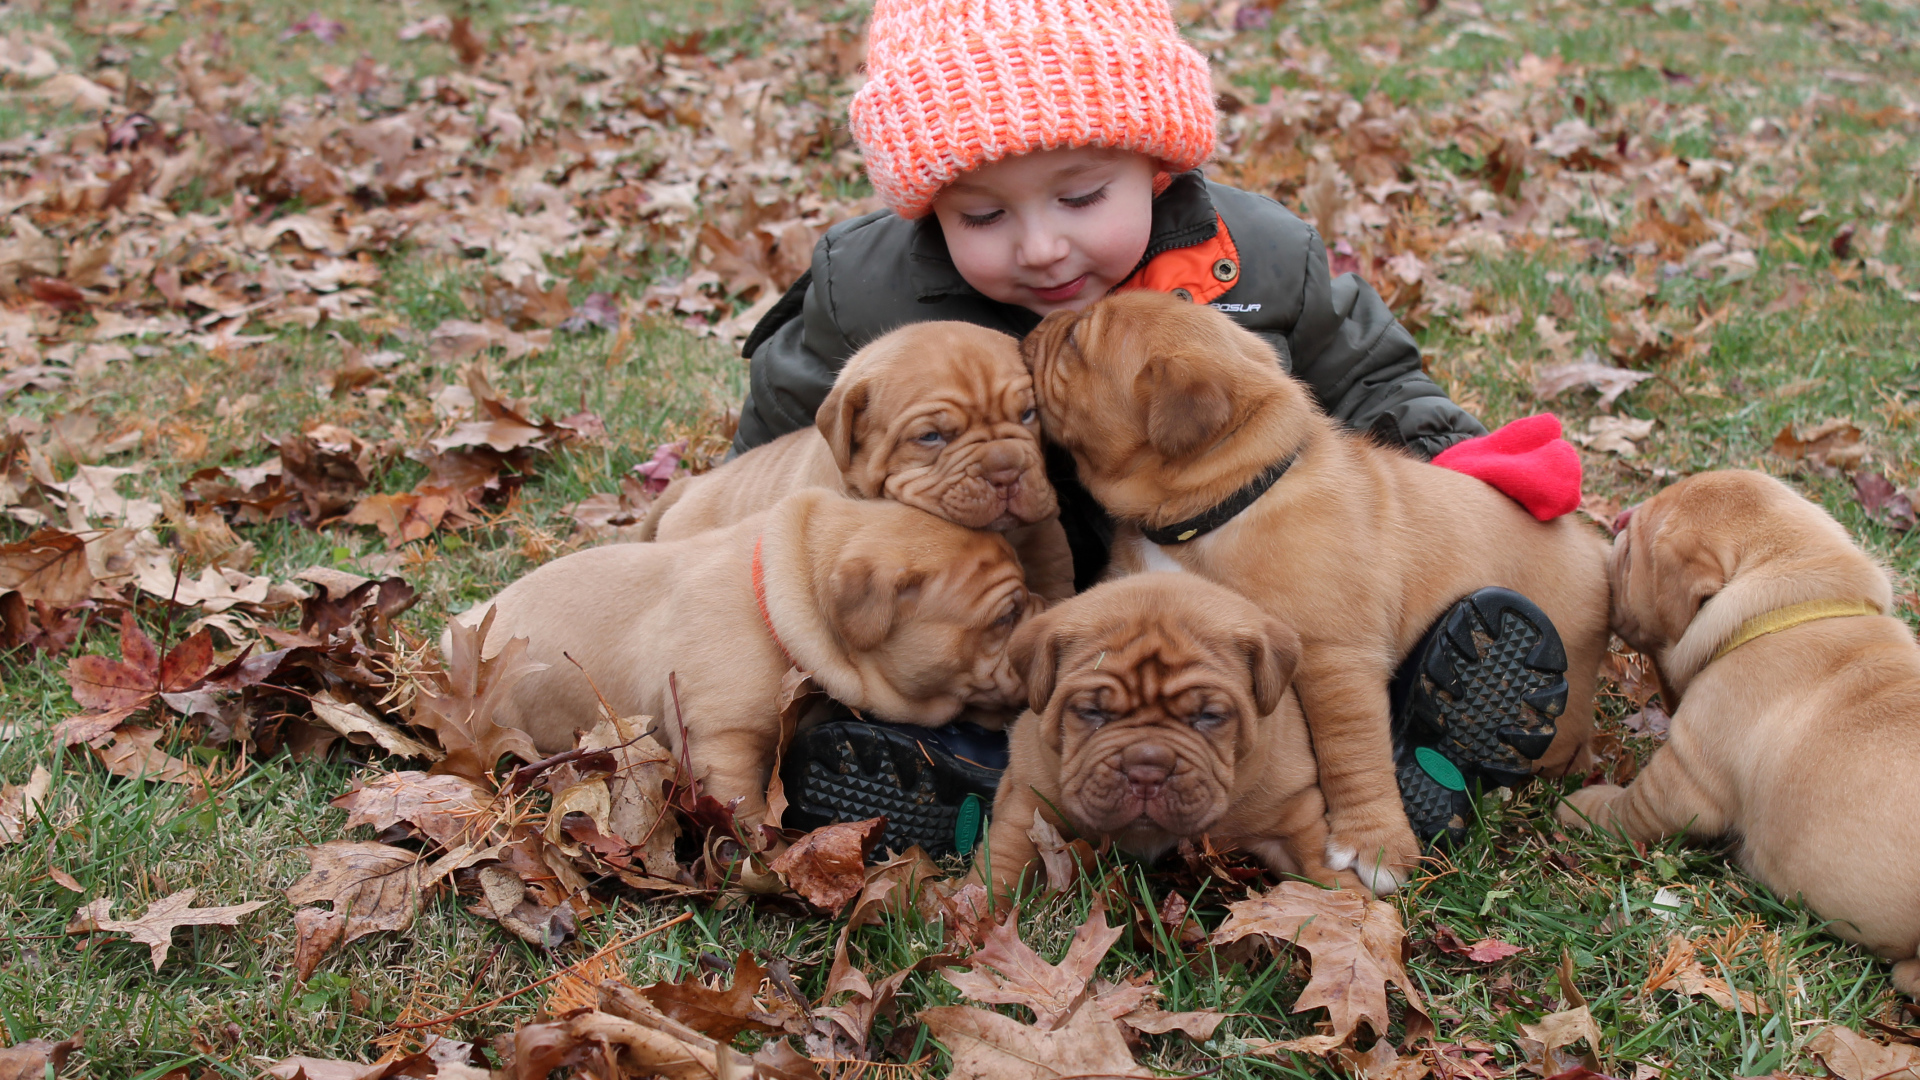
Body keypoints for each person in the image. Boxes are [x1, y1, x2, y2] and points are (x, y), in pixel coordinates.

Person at [734, 0, 1583, 860]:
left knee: (1318, 656)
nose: (1040, 247)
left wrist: (1452, 451)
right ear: (926, 209)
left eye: (1081, 196)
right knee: (948, 663)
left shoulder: (1259, 258)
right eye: (982, 217)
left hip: (1216, 611)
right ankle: (948, 764)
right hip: (1005, 600)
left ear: (1157, 165)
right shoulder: (866, 290)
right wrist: (741, 555)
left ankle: (1405, 739)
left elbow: (1370, 377)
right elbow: (775, 447)